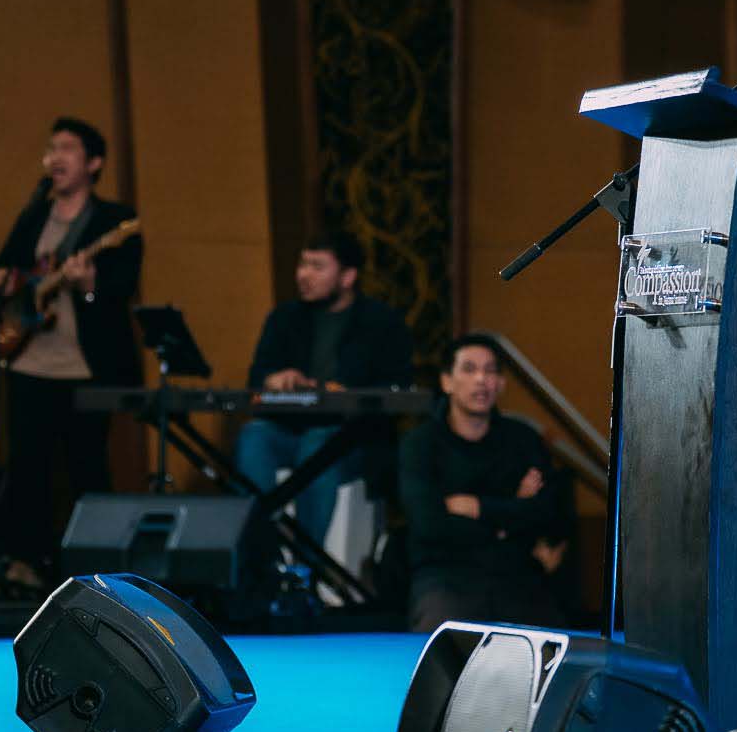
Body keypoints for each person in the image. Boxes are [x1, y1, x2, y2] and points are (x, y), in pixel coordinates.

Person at [0, 117, 144, 591]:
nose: (55, 156)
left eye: (68, 148)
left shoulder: (115, 221)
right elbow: (0, 269)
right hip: (30, 362)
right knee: (27, 468)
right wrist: (3, 281)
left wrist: (89, 284)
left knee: (86, 466)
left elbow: (122, 286)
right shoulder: (35, 216)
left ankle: (96, 572)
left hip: (85, 367)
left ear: (93, 163)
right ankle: (25, 564)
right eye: (52, 148)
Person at [236, 231, 414, 544]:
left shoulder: (382, 322)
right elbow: (256, 380)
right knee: (254, 436)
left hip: (352, 438)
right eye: (302, 264)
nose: (303, 275)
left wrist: (344, 394)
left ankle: (307, 559)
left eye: (317, 267)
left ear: (347, 277)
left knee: (317, 443)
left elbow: (397, 388)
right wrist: (273, 380)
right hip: (289, 428)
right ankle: (256, 549)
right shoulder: (284, 317)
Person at [400, 334, 570, 633]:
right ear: (447, 382)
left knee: (556, 645)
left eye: (490, 371)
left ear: (501, 383)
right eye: (469, 369)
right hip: (446, 576)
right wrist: (509, 515)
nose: (481, 379)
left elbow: (546, 512)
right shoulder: (421, 444)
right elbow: (429, 525)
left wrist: (478, 507)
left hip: (516, 574)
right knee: (442, 642)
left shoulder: (523, 439)